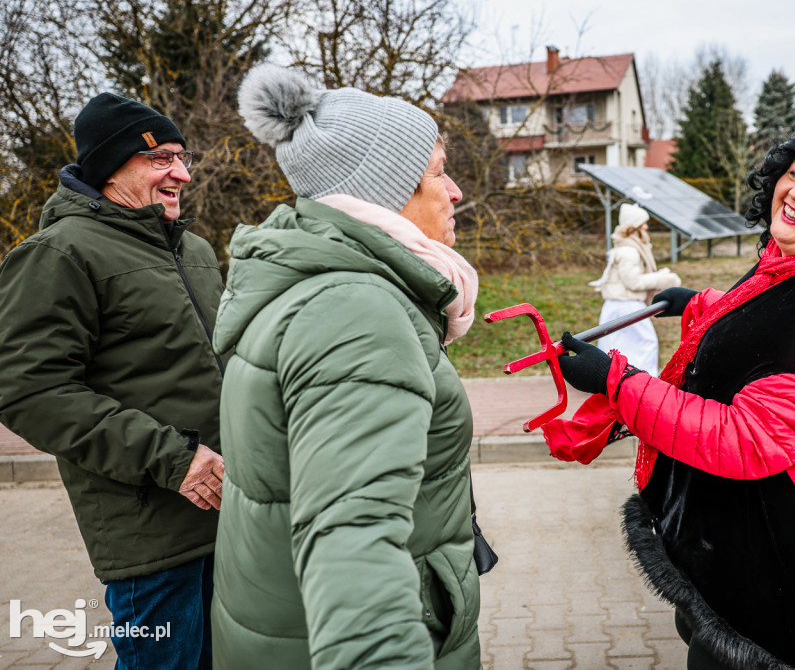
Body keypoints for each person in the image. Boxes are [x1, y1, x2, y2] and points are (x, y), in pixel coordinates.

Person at [541, 81, 795, 669]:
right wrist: (701, 304)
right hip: (746, 557)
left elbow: (747, 437)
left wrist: (618, 382)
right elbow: (771, 335)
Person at [211, 64, 481, 668]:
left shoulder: (313, 285)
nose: (456, 190)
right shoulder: (355, 311)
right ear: (385, 192)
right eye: (438, 172)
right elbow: (353, 544)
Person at [0, 93, 225, 668]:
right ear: (109, 168)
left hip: (226, 517)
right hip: (150, 533)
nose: (182, 173)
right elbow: (30, 391)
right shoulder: (58, 254)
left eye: (182, 156)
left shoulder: (195, 249)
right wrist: (172, 459)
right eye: (160, 159)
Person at [588, 203, 680, 374]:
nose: (646, 227)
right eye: (643, 223)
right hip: (626, 306)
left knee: (616, 345)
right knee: (646, 342)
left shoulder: (629, 248)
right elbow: (633, 282)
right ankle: (644, 380)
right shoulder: (629, 251)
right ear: (635, 227)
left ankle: (620, 378)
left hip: (621, 305)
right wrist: (662, 280)